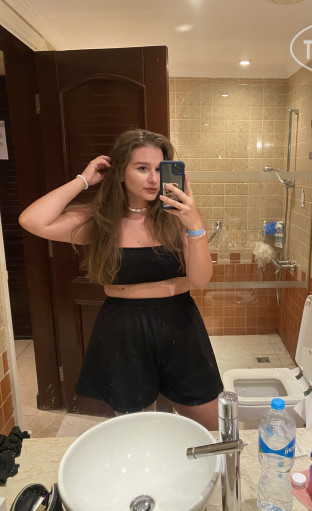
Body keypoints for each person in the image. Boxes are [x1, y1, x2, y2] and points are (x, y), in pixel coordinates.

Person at [19, 129, 223, 430]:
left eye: (159, 169)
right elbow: (31, 220)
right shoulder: (100, 220)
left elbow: (201, 280)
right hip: (124, 330)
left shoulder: (178, 217)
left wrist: (194, 225)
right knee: (137, 428)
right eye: (142, 168)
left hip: (181, 324)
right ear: (120, 173)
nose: (153, 178)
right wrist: (84, 179)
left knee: (211, 424)